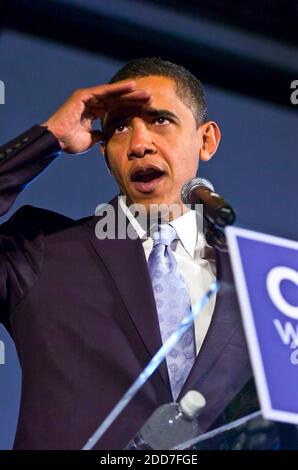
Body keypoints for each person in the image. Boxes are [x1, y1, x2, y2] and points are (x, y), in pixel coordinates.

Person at [0, 58, 259, 450]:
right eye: (119, 127)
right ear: (105, 155)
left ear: (205, 140)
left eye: (160, 120)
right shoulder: (40, 250)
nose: (139, 144)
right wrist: (47, 139)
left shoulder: (256, 283)